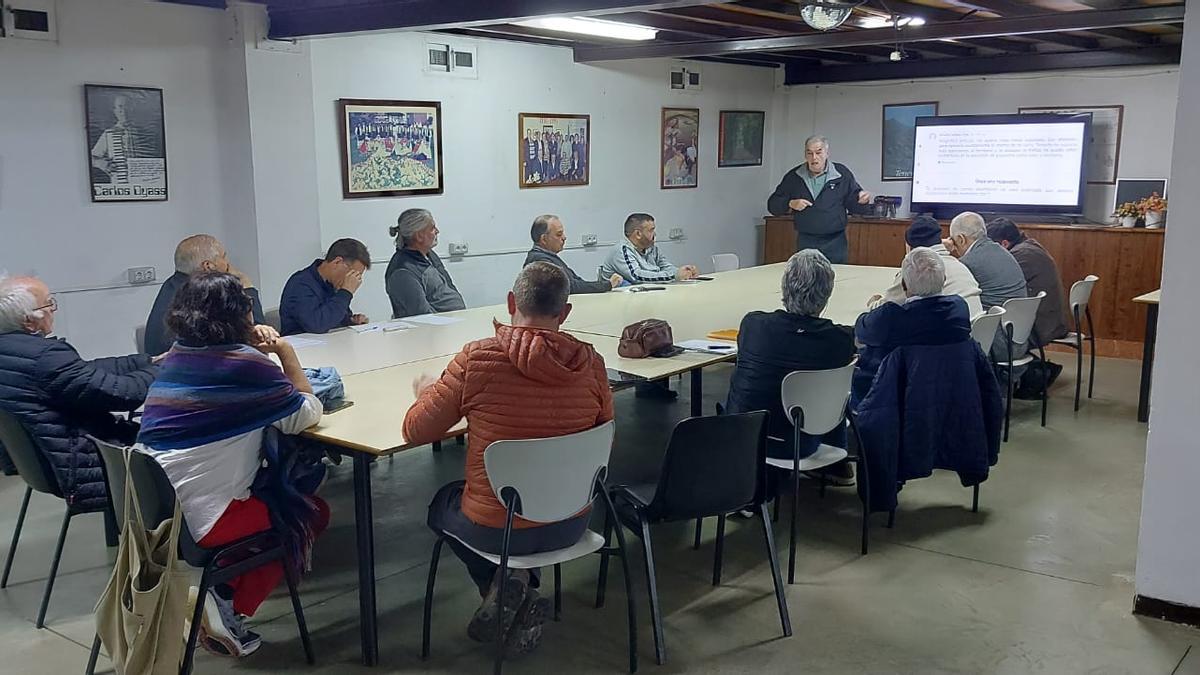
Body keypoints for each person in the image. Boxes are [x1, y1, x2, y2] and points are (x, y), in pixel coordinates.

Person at [404, 262, 613, 656]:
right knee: (506, 507)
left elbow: (417, 431)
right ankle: (513, 585)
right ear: (565, 313)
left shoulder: (477, 359)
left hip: (498, 532)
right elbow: (605, 441)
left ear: (511, 301)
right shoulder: (591, 363)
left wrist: (426, 394)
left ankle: (507, 585)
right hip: (572, 521)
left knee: (440, 505)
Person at [136, 272, 329, 658]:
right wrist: (285, 353)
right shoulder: (246, 365)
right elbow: (306, 413)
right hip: (206, 519)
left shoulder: (176, 357)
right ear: (240, 315)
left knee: (270, 498)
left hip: (158, 511)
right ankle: (226, 605)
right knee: (309, 513)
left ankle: (219, 593)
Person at [0, 275, 157, 510]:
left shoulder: (16, 352)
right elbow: (126, 394)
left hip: (49, 463)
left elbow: (86, 371)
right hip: (89, 464)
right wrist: (168, 367)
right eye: (48, 303)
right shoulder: (45, 357)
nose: (53, 309)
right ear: (29, 322)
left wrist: (147, 360)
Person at [724, 249, 857, 484]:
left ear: (784, 287)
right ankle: (838, 464)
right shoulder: (841, 340)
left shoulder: (753, 325)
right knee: (839, 391)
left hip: (744, 438)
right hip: (802, 443)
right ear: (827, 294)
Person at [853, 248, 972, 404]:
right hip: (948, 394)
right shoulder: (959, 309)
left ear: (904, 285)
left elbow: (861, 329)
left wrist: (877, 306)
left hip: (889, 398)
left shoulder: (889, 318)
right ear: (944, 279)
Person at [145, 234, 266, 355]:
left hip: (166, 367)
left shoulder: (171, 285)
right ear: (208, 266)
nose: (228, 264)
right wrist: (247, 287)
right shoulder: (206, 294)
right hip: (190, 367)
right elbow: (256, 337)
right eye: (224, 257)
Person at [767, 135, 873, 263]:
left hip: (835, 242)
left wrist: (862, 201)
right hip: (806, 240)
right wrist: (790, 203)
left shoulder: (841, 174)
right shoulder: (794, 177)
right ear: (805, 155)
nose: (814, 158)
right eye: (809, 153)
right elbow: (773, 204)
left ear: (827, 153)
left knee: (836, 279)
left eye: (818, 152)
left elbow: (854, 205)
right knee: (807, 279)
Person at [944, 212, 1028, 364]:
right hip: (1020, 340)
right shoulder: (1004, 252)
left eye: (953, 240)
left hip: (994, 345)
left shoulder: (968, 263)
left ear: (961, 239)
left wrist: (942, 251)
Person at [868, 215, 983, 318]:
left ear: (909, 247)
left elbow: (884, 309)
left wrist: (874, 303)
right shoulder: (959, 265)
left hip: (947, 336)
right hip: (975, 334)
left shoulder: (918, 268)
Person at [986, 217, 1069, 344]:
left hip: (1040, 329)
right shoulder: (1030, 247)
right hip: (1049, 323)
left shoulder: (1020, 257)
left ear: (1004, 244)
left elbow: (995, 285)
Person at [279, 238, 371, 335]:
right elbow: (318, 325)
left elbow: (335, 318)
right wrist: (346, 292)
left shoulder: (332, 283)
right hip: (302, 347)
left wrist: (351, 321)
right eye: (353, 274)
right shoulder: (300, 284)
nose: (354, 280)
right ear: (337, 262)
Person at [386, 208, 466, 318]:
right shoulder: (402, 271)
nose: (437, 231)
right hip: (435, 330)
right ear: (419, 236)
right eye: (432, 228)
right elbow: (421, 315)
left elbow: (449, 287)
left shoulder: (430, 254)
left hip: (457, 321)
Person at [525, 215, 621, 295]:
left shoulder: (548, 256)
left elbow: (577, 281)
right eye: (559, 234)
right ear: (544, 239)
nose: (564, 237)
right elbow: (570, 286)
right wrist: (607, 285)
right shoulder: (540, 261)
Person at [600, 213, 698, 284]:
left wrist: (683, 272)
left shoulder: (651, 247)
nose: (654, 234)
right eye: (651, 230)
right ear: (638, 234)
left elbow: (665, 266)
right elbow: (637, 276)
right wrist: (674, 276)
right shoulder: (621, 250)